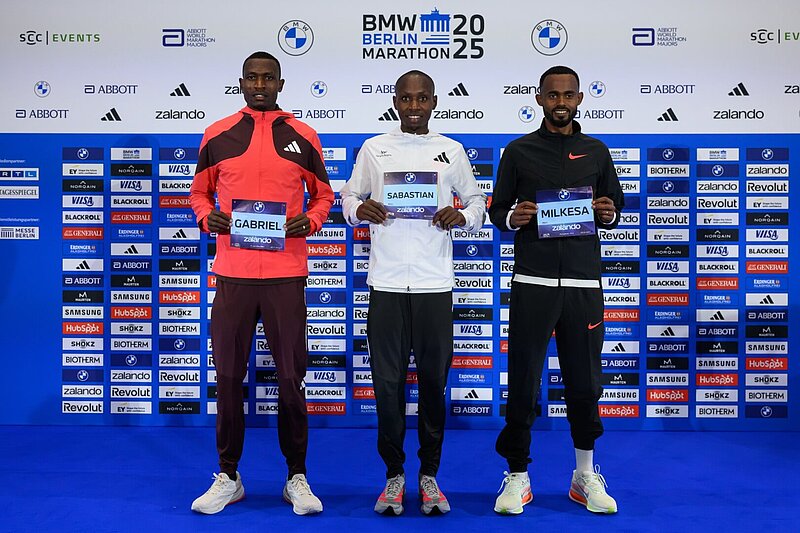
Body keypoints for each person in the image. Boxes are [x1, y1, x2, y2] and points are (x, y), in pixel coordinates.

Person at [189, 51, 334, 516]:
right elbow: (199, 193)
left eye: (267, 77)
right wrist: (204, 217)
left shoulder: (302, 134)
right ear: (241, 82)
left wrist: (309, 221)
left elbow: (325, 196)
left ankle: (297, 477)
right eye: (252, 77)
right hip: (232, 274)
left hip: (285, 276)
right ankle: (228, 476)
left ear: (280, 82)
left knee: (292, 379)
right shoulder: (217, 134)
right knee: (229, 378)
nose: (259, 84)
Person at [340, 70, 486, 516]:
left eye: (423, 98)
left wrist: (463, 218)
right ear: (395, 102)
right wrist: (358, 208)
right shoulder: (374, 148)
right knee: (386, 388)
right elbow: (348, 195)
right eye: (407, 98)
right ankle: (393, 477)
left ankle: (429, 477)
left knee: (433, 387)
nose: (415, 106)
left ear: (435, 101)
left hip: (434, 286)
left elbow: (477, 200)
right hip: (384, 285)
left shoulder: (451, 150)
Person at [490, 66, 624, 515]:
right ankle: (517, 476)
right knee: (524, 383)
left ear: (580, 98)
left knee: (585, 384)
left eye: (568, 94)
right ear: (539, 98)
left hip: (584, 285)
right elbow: (497, 212)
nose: (560, 101)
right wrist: (515, 218)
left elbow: (613, 209)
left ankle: (584, 475)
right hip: (534, 282)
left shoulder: (596, 151)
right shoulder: (518, 150)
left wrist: (607, 213)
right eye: (553, 94)